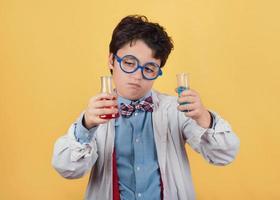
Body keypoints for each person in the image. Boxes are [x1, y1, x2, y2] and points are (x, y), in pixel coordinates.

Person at [52, 15, 240, 200]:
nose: (136, 75)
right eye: (128, 63)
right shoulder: (96, 114)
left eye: (149, 68)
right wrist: (86, 127)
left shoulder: (176, 110)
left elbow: (224, 155)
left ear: (158, 72)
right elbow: (67, 169)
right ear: (111, 60)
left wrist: (204, 118)